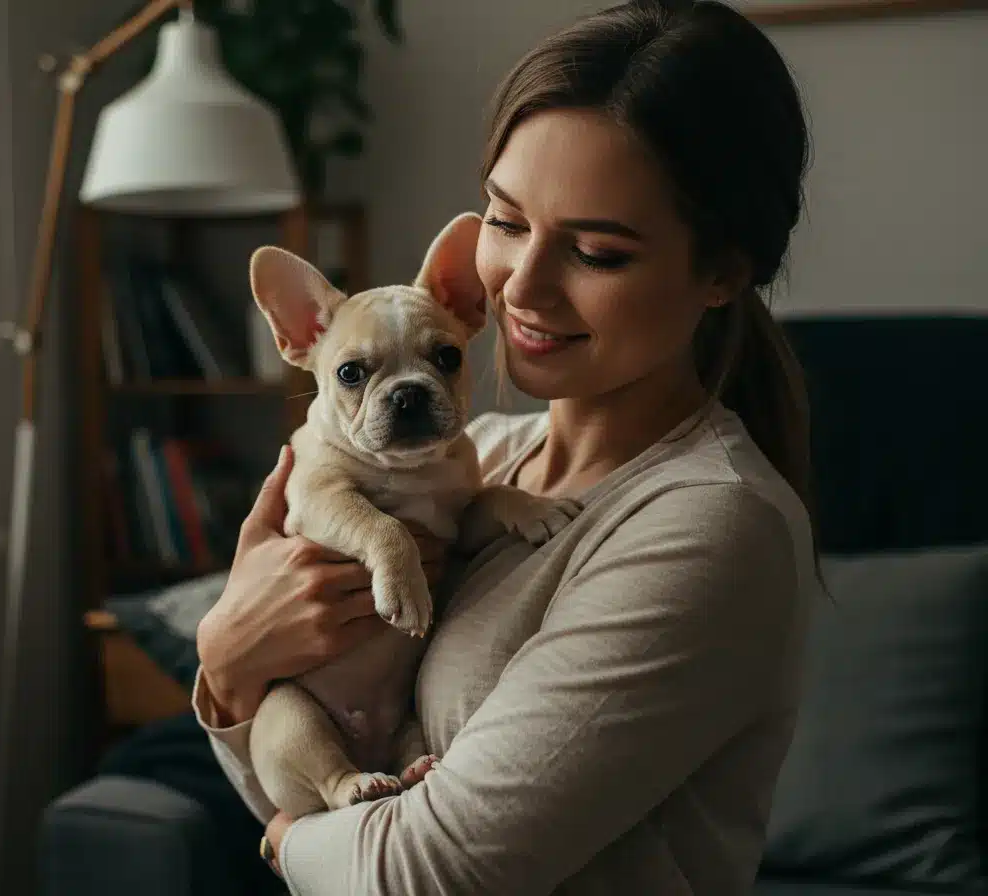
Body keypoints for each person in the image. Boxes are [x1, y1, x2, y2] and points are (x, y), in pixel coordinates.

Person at [193, 0, 820, 891]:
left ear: (720, 271)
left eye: (597, 252)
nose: (521, 286)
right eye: (506, 220)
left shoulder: (710, 526)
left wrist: (288, 841)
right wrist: (227, 665)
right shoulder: (477, 454)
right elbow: (289, 770)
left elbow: (429, 874)